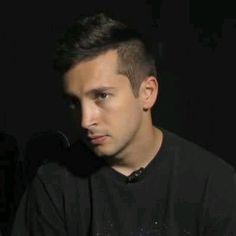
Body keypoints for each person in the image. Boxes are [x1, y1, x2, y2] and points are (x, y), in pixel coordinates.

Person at [11, 13, 236, 236]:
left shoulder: (215, 186)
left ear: (147, 93)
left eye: (102, 96)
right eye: (74, 102)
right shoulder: (53, 187)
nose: (85, 120)